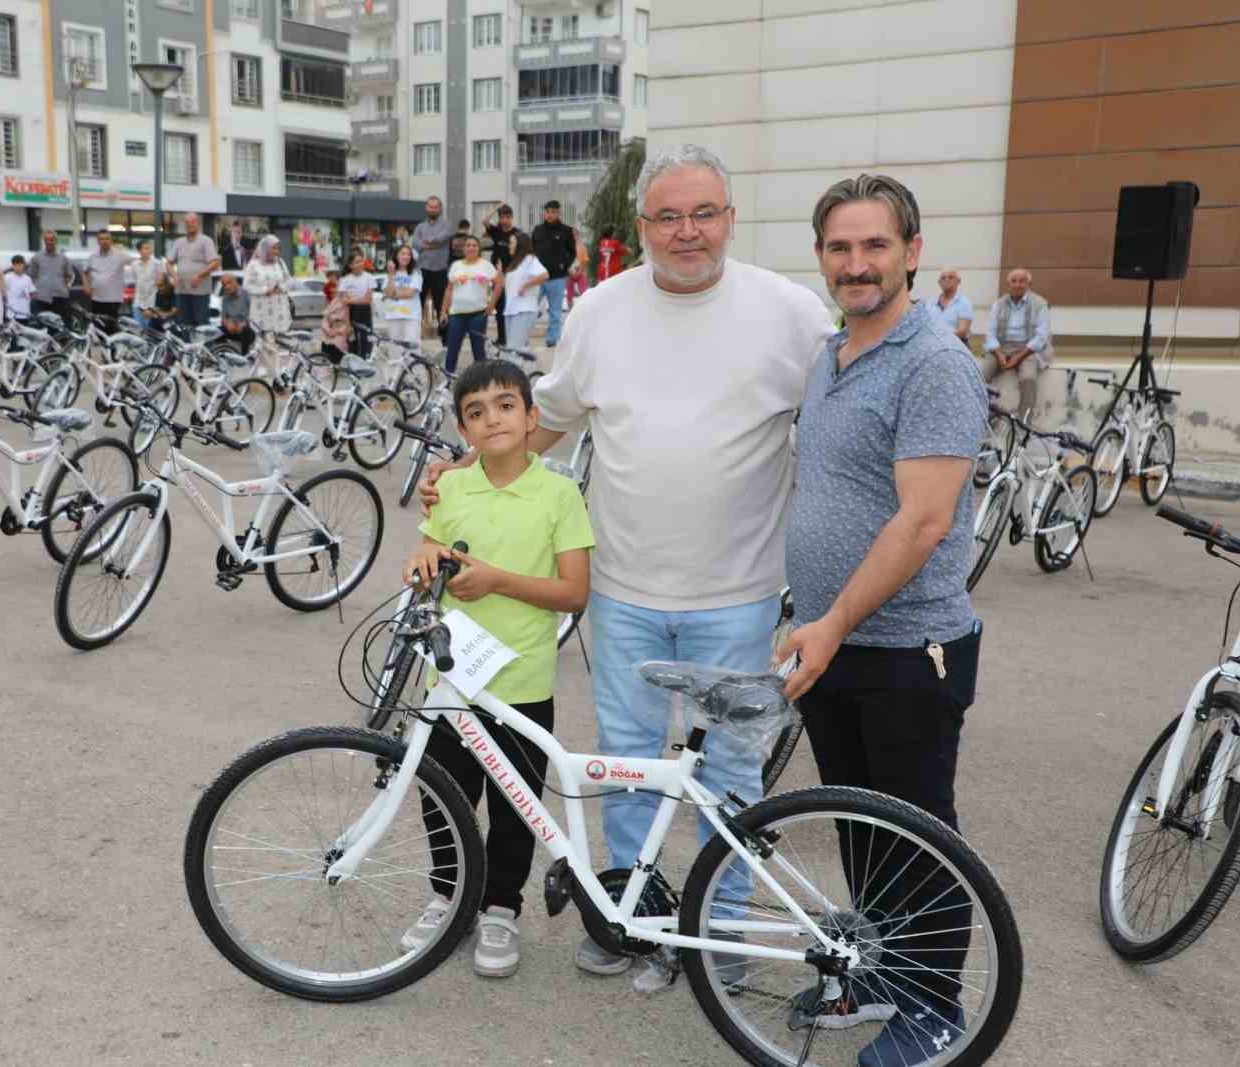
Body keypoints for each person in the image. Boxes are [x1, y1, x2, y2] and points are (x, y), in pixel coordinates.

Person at [420, 144, 834, 993]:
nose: (689, 232)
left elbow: (839, 432)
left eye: (705, 213)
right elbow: (551, 422)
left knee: (728, 772)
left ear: (732, 217)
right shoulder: (603, 310)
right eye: (669, 216)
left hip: (738, 595)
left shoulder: (790, 313)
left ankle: (719, 937)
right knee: (625, 759)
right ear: (640, 227)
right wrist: (466, 471)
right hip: (622, 592)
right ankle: (628, 918)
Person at [779, 173, 987, 1066]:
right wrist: (814, 618)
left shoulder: (935, 362)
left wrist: (829, 623)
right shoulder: (834, 352)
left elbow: (923, 521)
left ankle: (934, 1006)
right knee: (862, 827)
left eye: (874, 245)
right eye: (839, 246)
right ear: (821, 256)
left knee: (918, 833)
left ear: (912, 249)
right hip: (835, 640)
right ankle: (879, 970)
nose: (856, 263)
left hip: (909, 646)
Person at [400, 359, 594, 979]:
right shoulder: (452, 488)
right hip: (451, 683)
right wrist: (423, 558)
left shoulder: (559, 493)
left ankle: (501, 910)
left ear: (533, 417)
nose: (493, 420)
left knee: (515, 810)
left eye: (506, 405)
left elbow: (574, 593)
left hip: (521, 686)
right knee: (443, 800)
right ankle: (448, 898)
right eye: (476, 412)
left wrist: (498, 581)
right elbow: (428, 545)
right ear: (464, 430)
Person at [981, 267, 1052, 418]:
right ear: (1008, 284)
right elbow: (990, 334)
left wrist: (1018, 358)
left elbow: (1041, 337)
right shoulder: (998, 304)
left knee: (1028, 379)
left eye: (1022, 281)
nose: (1017, 285)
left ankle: (1024, 423)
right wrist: (999, 355)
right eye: (1014, 281)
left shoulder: (1040, 304)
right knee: (980, 375)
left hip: (1028, 350)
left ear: (1028, 284)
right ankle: (979, 415)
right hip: (1001, 348)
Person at [441, 234, 502, 374]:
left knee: (478, 350)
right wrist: (443, 311)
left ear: (478, 248)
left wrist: (492, 304)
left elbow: (499, 283)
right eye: (468, 245)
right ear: (463, 248)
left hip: (478, 314)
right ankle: (448, 379)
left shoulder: (486, 265)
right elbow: (449, 290)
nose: (471, 248)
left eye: (474, 245)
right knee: (452, 349)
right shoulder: (456, 265)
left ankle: (481, 381)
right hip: (456, 314)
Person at [530, 200, 576, 347]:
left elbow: (572, 252)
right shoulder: (537, 230)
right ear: (544, 212)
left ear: (558, 213)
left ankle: (552, 339)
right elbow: (531, 251)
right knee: (530, 307)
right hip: (537, 277)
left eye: (553, 212)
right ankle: (522, 335)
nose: (550, 215)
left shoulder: (566, 231)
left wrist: (564, 266)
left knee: (555, 312)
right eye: (547, 211)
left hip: (557, 278)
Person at [168, 212, 219, 327]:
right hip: (181, 291)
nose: (190, 224)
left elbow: (215, 263)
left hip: (200, 292)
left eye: (192, 222)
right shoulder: (178, 242)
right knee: (184, 324)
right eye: (187, 222)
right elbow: (169, 263)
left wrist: (199, 275)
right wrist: (174, 276)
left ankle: (201, 346)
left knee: (201, 324)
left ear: (198, 223)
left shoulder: (206, 241)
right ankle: (186, 345)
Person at [502, 233, 548, 351]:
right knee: (514, 348)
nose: (509, 246)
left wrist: (525, 286)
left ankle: (515, 369)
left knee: (515, 348)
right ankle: (521, 368)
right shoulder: (515, 263)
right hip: (511, 310)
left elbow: (544, 275)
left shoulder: (530, 259)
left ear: (520, 244)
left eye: (512, 242)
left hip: (524, 309)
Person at [413, 196, 453, 330]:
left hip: (440, 270)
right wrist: (434, 244)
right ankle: (415, 335)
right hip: (422, 270)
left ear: (440, 208)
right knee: (417, 304)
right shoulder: (419, 227)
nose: (433, 210)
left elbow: (441, 238)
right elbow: (415, 244)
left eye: (436, 207)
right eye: (431, 207)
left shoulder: (446, 225)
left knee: (441, 306)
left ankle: (445, 340)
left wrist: (428, 242)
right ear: (426, 208)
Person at [482, 205, 519, 346]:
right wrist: (496, 207)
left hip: (512, 276)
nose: (504, 220)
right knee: (500, 309)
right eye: (502, 217)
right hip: (497, 276)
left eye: (507, 217)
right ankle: (502, 338)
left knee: (512, 309)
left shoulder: (517, 234)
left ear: (511, 217)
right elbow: (485, 221)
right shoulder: (496, 232)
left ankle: (512, 338)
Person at [245, 234, 292, 339]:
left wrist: (281, 288)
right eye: (274, 248)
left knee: (280, 344)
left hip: (280, 312)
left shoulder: (280, 262)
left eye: (278, 248)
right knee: (263, 346)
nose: (277, 251)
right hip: (261, 313)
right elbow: (247, 285)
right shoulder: (254, 264)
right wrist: (265, 290)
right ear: (265, 248)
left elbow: (289, 281)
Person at [83, 231, 131, 330]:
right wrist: (86, 285)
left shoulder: (120, 255)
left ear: (111, 240)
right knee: (97, 328)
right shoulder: (93, 256)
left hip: (113, 300)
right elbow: (84, 271)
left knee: (111, 329)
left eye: (107, 238)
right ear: (98, 241)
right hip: (96, 299)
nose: (104, 241)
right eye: (101, 239)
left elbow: (136, 262)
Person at [28, 231, 76, 323]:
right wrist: (37, 288)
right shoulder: (36, 258)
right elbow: (31, 275)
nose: (49, 242)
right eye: (47, 240)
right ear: (44, 241)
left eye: (52, 240)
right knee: (43, 326)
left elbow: (70, 275)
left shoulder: (63, 258)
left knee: (62, 325)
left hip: (60, 298)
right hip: (42, 298)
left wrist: (66, 286)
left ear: (56, 241)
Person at [382, 244, 423, 348]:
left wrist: (393, 294)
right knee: (395, 350)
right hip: (393, 315)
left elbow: (409, 294)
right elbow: (387, 293)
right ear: (396, 256)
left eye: (408, 254)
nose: (406, 256)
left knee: (412, 350)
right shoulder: (389, 274)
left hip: (411, 316)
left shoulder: (415, 273)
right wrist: (391, 275)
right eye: (403, 254)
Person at [337, 250, 376, 355]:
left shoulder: (369, 278)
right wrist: (348, 324)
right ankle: (353, 370)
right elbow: (345, 305)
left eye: (361, 261)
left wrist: (350, 300)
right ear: (350, 265)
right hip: (350, 314)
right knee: (352, 346)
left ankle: (365, 367)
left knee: (366, 344)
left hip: (365, 314)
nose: (360, 264)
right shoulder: (345, 280)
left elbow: (368, 300)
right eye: (357, 262)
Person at [925, 268, 973, 346]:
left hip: (957, 346)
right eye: (943, 278)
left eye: (951, 277)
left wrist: (940, 339)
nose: (946, 280)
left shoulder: (964, 303)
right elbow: (925, 327)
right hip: (933, 346)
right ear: (939, 282)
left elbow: (963, 331)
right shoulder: (930, 303)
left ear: (958, 281)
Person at [216, 273, 256, 355]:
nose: (227, 286)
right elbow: (223, 317)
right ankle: (223, 355)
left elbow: (255, 314)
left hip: (247, 328)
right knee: (217, 331)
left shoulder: (246, 294)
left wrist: (243, 323)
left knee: (246, 330)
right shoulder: (225, 297)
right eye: (224, 284)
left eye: (229, 283)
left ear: (236, 282)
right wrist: (227, 323)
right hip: (232, 328)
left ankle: (244, 356)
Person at [130, 240, 165, 328]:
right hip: (138, 303)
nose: (149, 251)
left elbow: (160, 282)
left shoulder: (157, 263)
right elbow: (136, 281)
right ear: (139, 251)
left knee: (151, 332)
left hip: (152, 303)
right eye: (145, 248)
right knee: (138, 330)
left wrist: (151, 309)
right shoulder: (134, 265)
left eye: (149, 248)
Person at [3, 255, 36, 323]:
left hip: (25, 313)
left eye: (20, 265)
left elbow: (32, 292)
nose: (17, 267)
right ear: (12, 266)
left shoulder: (27, 278)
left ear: (23, 265)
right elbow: (3, 292)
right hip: (12, 314)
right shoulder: (8, 277)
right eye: (15, 265)